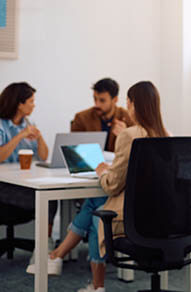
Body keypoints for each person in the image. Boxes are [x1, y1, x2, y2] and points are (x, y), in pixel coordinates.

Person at [32, 81, 168, 292]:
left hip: (131, 218)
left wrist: (102, 171)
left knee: (97, 209)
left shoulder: (129, 134)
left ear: (131, 104)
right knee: (97, 207)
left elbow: (112, 186)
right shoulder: (167, 136)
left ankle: (59, 257)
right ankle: (86, 279)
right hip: (159, 217)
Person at [0, 82, 58, 257]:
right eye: (31, 101)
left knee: (50, 196)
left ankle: (44, 246)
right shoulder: (1, 126)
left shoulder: (28, 123)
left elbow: (43, 156)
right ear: (19, 104)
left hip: (22, 182)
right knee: (45, 200)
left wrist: (39, 138)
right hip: (3, 186)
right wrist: (20, 136)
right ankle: (43, 249)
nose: (34, 105)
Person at [71, 78, 134, 152]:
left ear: (115, 100)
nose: (97, 104)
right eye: (95, 99)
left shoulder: (129, 117)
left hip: (117, 162)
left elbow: (136, 150)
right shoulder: (81, 118)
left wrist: (126, 135)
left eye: (102, 100)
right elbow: (73, 150)